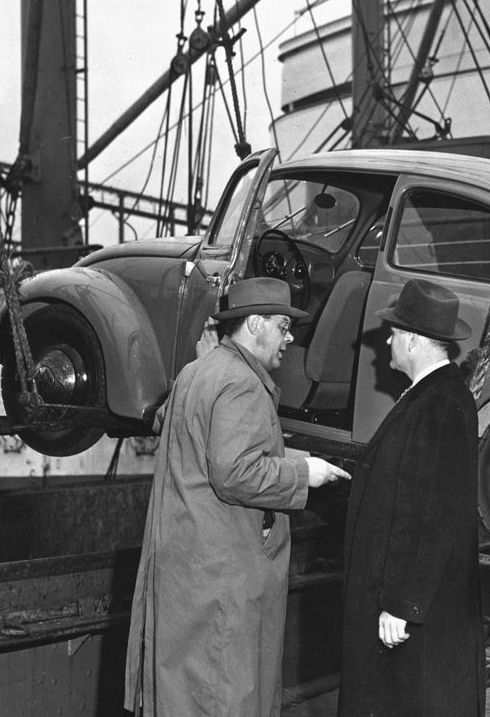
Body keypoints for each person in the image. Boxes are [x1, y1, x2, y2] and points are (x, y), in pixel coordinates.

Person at [124, 276, 351, 717]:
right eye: (282, 326)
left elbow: (180, 432)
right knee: (227, 695)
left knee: (183, 698)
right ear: (253, 325)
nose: (289, 338)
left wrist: (290, 455)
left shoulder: (197, 372)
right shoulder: (242, 382)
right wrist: (307, 473)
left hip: (186, 570)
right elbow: (235, 472)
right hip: (222, 577)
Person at [339, 278, 485, 717]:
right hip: (424, 600)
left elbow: (428, 513)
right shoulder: (434, 397)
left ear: (417, 342)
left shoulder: (436, 404)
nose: (389, 339)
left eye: (396, 332)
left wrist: (400, 604)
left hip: (415, 606)